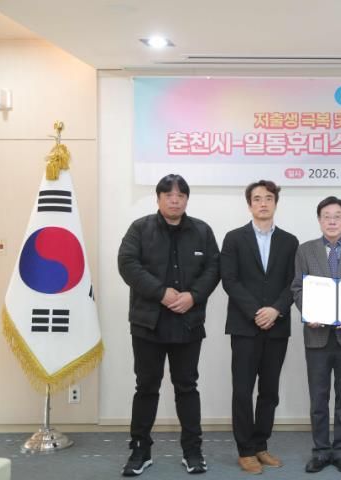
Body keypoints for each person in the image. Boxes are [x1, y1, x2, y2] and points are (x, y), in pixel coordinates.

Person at [118, 174, 220, 476]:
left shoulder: (202, 231)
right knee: (146, 387)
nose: (175, 200)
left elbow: (214, 268)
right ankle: (140, 451)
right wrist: (161, 293)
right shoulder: (140, 228)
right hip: (148, 323)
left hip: (188, 323)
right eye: (168, 195)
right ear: (158, 198)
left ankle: (193, 451)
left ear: (186, 199)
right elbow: (127, 264)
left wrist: (193, 296)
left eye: (180, 195)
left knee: (187, 387)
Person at [220, 180, 299, 474]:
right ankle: (245, 450)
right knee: (242, 390)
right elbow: (230, 280)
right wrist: (256, 311)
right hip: (244, 326)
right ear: (249, 204)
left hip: (277, 326)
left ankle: (260, 445)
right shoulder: (234, 238)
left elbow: (294, 282)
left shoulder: (289, 241)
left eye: (268, 198)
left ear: (276, 202)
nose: (263, 203)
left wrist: (276, 309)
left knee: (269, 391)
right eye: (257, 198)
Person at [291, 196, 341, 474]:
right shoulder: (305, 250)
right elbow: (297, 288)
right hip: (316, 336)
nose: (332, 221)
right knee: (318, 398)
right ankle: (320, 451)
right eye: (326, 216)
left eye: (338, 216)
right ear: (319, 220)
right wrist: (309, 311)